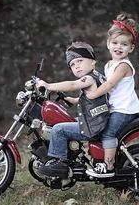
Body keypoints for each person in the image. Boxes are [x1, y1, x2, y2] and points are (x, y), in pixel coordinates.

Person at [36, 41, 109, 178]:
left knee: (58, 129)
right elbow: (93, 98)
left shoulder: (89, 78)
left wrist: (48, 85)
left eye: (80, 61)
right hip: (96, 122)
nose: (77, 66)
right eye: (73, 64)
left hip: (93, 126)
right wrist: (74, 100)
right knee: (68, 122)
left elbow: (72, 84)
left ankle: (60, 162)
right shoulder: (98, 76)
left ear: (93, 61)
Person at [85, 12, 139, 178]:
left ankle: (108, 166)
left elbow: (109, 84)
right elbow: (104, 86)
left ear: (131, 48)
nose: (119, 47)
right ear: (108, 44)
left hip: (125, 110)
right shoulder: (109, 64)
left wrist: (94, 93)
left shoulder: (123, 66)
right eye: (115, 42)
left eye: (124, 44)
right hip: (115, 108)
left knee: (108, 133)